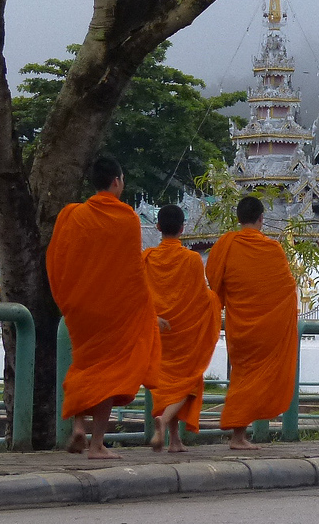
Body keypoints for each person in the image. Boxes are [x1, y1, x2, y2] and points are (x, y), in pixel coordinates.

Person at [47, 156, 163, 459]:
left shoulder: (72, 215)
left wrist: (67, 299)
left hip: (81, 308)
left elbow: (57, 259)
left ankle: (78, 426)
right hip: (114, 311)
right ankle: (97, 444)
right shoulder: (127, 218)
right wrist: (147, 312)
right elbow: (133, 273)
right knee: (110, 373)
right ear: (116, 181)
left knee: (85, 364)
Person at [205, 195, 298, 450]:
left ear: (238, 218)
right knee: (253, 380)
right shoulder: (273, 249)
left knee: (241, 377)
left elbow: (213, 280)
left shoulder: (225, 245)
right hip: (266, 329)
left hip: (239, 326)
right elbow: (287, 288)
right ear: (261, 219)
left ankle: (238, 434)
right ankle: (238, 436)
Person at [143, 204, 222, 453]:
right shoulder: (192, 260)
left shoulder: (146, 258)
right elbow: (201, 298)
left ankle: (175, 441)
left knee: (167, 384)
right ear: (182, 229)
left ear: (157, 227)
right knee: (187, 381)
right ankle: (164, 422)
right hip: (185, 333)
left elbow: (138, 296)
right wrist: (215, 301)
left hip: (158, 330)